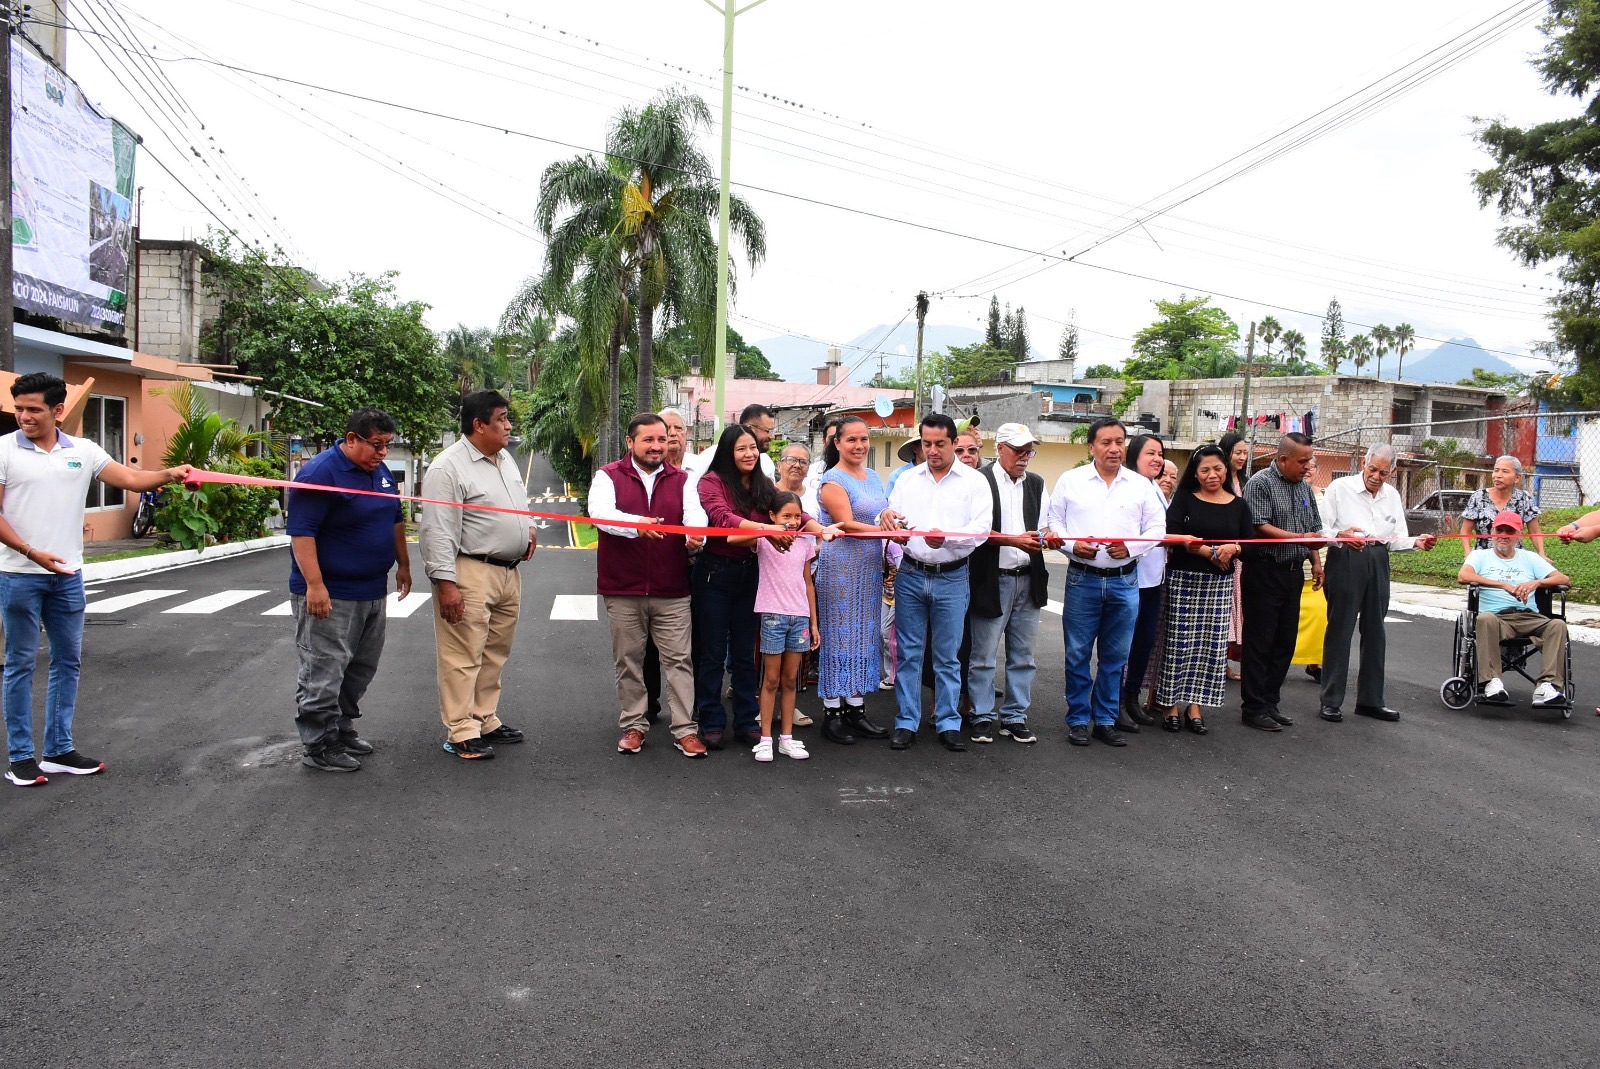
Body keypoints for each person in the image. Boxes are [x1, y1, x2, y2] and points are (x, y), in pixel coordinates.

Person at [0, 373, 191, 787]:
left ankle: (58, 750)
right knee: (19, 663)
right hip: (19, 575)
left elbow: (131, 480)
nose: (24, 417)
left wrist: (171, 473)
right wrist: (32, 553)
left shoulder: (83, 451)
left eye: (33, 409)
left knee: (68, 661)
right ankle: (20, 758)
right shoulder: (3, 451)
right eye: (19, 409)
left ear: (58, 410)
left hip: (67, 576)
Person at [286, 406, 412, 773]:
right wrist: (315, 586)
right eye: (376, 445)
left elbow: (395, 518)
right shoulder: (320, 473)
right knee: (324, 668)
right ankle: (318, 743)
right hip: (332, 593)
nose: (382, 453)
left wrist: (403, 564)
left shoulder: (380, 472)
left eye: (387, 445)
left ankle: (341, 728)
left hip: (372, 589)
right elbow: (302, 532)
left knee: (360, 668)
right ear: (352, 439)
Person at [694, 424, 831, 748]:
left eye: (753, 448)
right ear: (728, 451)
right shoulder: (711, 483)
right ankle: (711, 721)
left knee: (745, 655)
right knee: (713, 653)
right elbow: (722, 519)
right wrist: (768, 528)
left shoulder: (763, 484)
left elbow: (794, 511)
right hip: (715, 574)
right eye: (741, 448)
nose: (749, 454)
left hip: (751, 575)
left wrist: (821, 529)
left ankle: (746, 721)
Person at [420, 390, 536, 761]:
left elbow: (519, 503)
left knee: (495, 652)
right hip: (470, 570)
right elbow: (438, 530)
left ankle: (484, 717)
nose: (508, 425)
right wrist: (446, 585)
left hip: (507, 572)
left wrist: (527, 529)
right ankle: (461, 729)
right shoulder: (447, 468)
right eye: (502, 418)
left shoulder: (504, 460)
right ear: (478, 424)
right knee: (462, 653)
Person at [590, 413, 709, 758]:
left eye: (662, 439)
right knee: (628, 660)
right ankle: (633, 725)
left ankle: (685, 730)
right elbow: (600, 514)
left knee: (680, 661)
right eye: (649, 440)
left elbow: (695, 514)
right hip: (623, 588)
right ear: (630, 442)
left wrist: (694, 534)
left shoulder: (682, 479)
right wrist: (637, 524)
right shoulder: (608, 476)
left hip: (671, 587)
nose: (657, 446)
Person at [1046, 417, 1166, 747]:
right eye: (1106, 442)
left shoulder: (1140, 485)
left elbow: (1157, 529)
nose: (1114, 448)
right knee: (1078, 654)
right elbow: (1052, 523)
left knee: (1115, 656)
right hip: (1082, 578)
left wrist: (1131, 547)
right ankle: (1078, 719)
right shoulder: (1071, 481)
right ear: (1091, 447)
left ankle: (1105, 718)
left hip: (1125, 580)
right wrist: (1072, 545)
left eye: (1119, 441)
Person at [882, 413, 991, 752]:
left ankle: (948, 722)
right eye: (926, 443)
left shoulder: (974, 482)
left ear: (954, 443)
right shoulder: (907, 480)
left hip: (953, 576)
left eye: (939, 444)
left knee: (947, 656)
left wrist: (946, 541)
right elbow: (892, 517)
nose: (932, 450)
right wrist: (886, 518)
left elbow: (981, 529)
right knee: (910, 653)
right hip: (911, 574)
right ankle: (906, 722)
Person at [1316, 444, 1438, 723]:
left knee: (1375, 631)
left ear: (1392, 472)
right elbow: (1320, 528)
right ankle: (1331, 700)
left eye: (1384, 472)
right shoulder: (1340, 487)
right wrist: (1342, 535)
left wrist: (1417, 542)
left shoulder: (1391, 495)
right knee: (1340, 628)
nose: (1376, 476)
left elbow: (1396, 537)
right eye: (1372, 469)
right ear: (1363, 463)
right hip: (1346, 557)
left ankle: (1371, 700)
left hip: (1378, 559)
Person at [966, 423, 1053, 745]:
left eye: (1029, 450)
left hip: (1028, 578)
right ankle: (982, 715)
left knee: (1023, 656)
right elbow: (974, 531)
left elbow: (1044, 526)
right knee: (983, 655)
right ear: (999, 447)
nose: (1025, 456)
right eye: (1019, 450)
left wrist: (1048, 538)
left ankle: (1015, 716)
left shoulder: (1037, 483)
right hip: (992, 578)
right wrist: (1014, 541)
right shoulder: (980, 481)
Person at [1156, 445, 1253, 734]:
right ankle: (1169, 704)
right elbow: (1169, 535)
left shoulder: (1239, 505)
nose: (1212, 475)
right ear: (1195, 474)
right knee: (1178, 644)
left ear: (1226, 469)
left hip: (1219, 585)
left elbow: (1249, 545)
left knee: (1209, 647)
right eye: (1204, 470)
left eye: (1218, 468)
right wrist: (1208, 553)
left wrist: (1232, 548)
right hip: (1184, 580)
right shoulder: (1184, 499)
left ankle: (1195, 706)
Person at [815, 416, 895, 744]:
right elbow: (845, 523)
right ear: (837, 443)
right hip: (840, 567)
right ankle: (832, 714)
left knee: (864, 637)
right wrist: (890, 531)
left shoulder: (874, 476)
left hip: (868, 567)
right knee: (838, 637)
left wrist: (891, 518)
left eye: (864, 439)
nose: (859, 445)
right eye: (851, 440)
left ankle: (856, 709)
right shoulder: (832, 480)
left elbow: (880, 512)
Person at [1239, 433, 1323, 733]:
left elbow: (1313, 527)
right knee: (1260, 640)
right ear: (1283, 459)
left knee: (1285, 641)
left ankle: (1270, 701)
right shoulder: (1260, 483)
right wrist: (1301, 538)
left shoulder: (1304, 488)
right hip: (1264, 569)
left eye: (1309, 460)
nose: (1307, 466)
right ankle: (1253, 707)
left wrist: (1315, 561)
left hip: (1293, 571)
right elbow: (1259, 526)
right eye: (1302, 461)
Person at [728, 491, 818, 761]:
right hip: (772, 617)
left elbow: (808, 583)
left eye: (795, 516)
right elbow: (733, 538)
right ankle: (765, 737)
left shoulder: (805, 542)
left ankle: (786, 738)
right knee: (770, 680)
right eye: (785, 516)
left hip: (800, 617)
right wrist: (766, 532)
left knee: (791, 681)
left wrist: (814, 623)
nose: (791, 522)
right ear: (772, 516)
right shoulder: (765, 541)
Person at [1459, 510, 1571, 707]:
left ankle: (1547, 686)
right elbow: (1464, 576)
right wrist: (1502, 585)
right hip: (1497, 618)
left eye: (1509, 531)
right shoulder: (1480, 556)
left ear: (1518, 535)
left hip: (1528, 616)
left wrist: (1536, 583)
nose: (1503, 535)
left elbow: (1563, 579)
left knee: (1557, 625)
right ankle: (1492, 682)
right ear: (1493, 532)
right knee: (1484, 619)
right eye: (1499, 530)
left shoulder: (1529, 557)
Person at [642, 406, 694, 724]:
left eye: (678, 429)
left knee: (690, 644)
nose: (672, 434)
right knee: (646, 644)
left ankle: (689, 707)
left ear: (686, 435)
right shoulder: (647, 471)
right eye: (666, 429)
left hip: (694, 566)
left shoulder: (700, 470)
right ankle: (647, 704)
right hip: (653, 567)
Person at [1118, 433, 1168, 732]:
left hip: (1154, 579)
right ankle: (1116, 702)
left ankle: (1132, 697)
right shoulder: (1130, 489)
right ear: (1134, 456)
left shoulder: (1155, 489)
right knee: (1122, 645)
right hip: (1130, 577)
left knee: (1143, 643)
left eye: (1160, 453)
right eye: (1150, 453)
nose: (1157, 459)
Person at [1460, 455, 1546, 557]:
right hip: (1484, 557)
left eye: (1505, 471)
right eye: (1496, 470)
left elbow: (1535, 532)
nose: (1498, 475)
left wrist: (1541, 554)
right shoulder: (1479, 496)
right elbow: (1465, 531)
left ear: (1517, 478)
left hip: (1514, 557)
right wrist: (1468, 555)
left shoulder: (1524, 498)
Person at [1219, 432, 1251, 682]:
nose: (1242, 457)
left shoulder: (1245, 482)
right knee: (1223, 611)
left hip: (1241, 558)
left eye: (1245, 452)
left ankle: (1225, 663)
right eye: (1237, 452)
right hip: (1220, 556)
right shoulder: (1218, 482)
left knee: (1235, 611)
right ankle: (1218, 664)